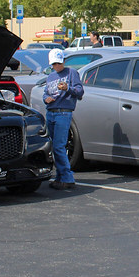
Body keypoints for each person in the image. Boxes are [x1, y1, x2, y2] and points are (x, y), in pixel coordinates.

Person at [39, 48, 84, 190]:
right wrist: (46, 98)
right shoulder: (51, 76)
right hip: (51, 111)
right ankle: (60, 177)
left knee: (59, 146)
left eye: (59, 63)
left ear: (63, 61)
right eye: (54, 64)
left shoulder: (71, 73)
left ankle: (67, 177)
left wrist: (67, 88)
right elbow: (45, 93)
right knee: (53, 146)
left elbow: (80, 91)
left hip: (63, 113)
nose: (57, 66)